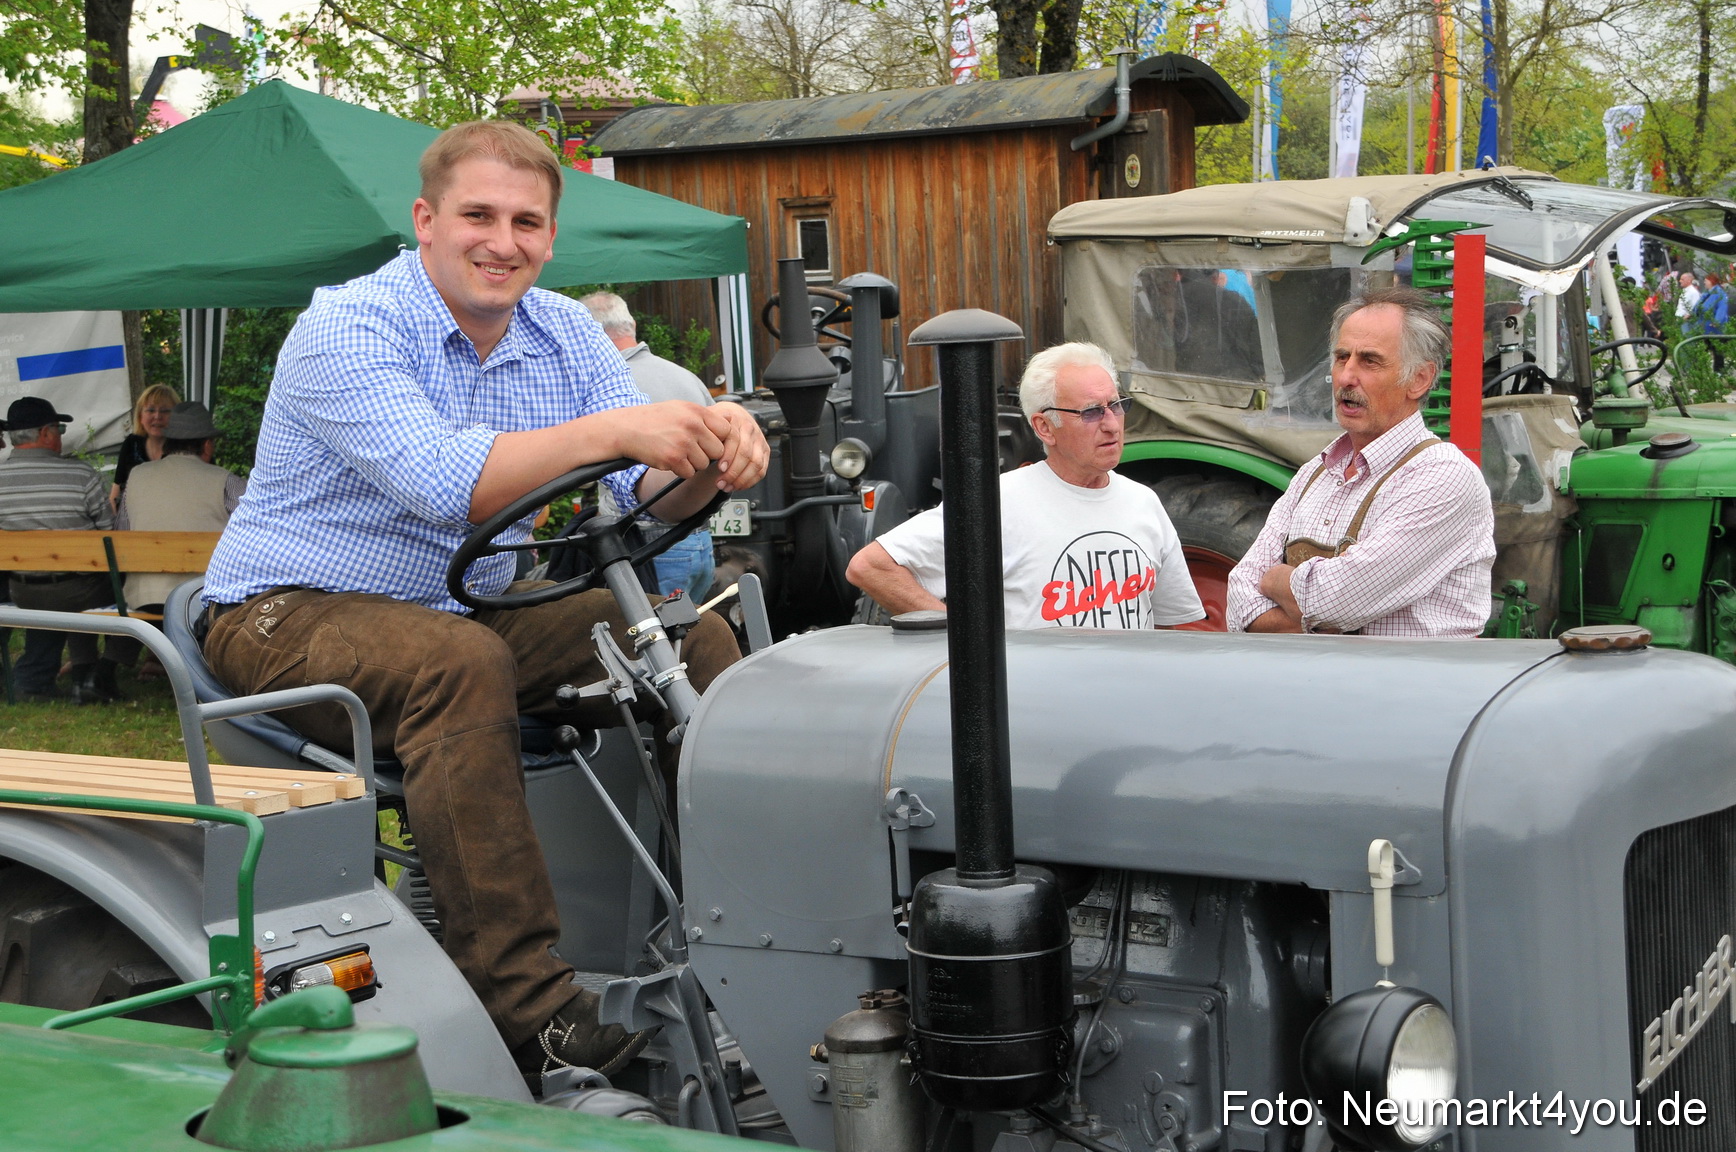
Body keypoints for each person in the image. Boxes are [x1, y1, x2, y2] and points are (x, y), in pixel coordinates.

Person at [199, 120, 769, 1085]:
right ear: (426, 221)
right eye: (477, 215)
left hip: (459, 609)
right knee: (460, 663)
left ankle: (757, 935)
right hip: (285, 613)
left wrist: (714, 465)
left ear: (550, 239)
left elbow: (640, 504)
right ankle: (531, 1009)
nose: (501, 241)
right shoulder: (348, 325)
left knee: (685, 636)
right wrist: (619, 427)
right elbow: (442, 480)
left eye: (526, 222)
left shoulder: (562, 335)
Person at [846, 342, 1204, 629]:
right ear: (1045, 427)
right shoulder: (1000, 501)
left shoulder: (1143, 501)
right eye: (1092, 412)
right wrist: (961, 644)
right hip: (1038, 712)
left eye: (1117, 405)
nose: (1111, 424)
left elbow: (1179, 623)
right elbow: (871, 566)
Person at [1225, 287, 1495, 637]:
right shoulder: (1314, 474)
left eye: (1369, 361)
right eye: (1341, 357)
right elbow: (1239, 597)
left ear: (1419, 379)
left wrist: (1277, 579)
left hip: (1411, 689)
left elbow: (1340, 600)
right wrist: (1318, 616)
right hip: (1318, 687)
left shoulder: (1444, 476)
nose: (1346, 377)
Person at [579, 291, 716, 601]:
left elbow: (586, 473)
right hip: (699, 541)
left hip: (645, 545)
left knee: (650, 643)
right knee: (689, 640)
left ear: (589, 335)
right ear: (633, 326)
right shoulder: (686, 378)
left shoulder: (606, 390)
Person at [0, 396, 126, 702]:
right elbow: (110, 538)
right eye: (58, 429)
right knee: (124, 587)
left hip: (21, 589)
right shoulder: (81, 475)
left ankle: (45, 678)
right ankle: (91, 673)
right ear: (45, 433)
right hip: (78, 589)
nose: (59, 436)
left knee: (60, 596)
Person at [115, 401, 246, 612]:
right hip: (202, 598)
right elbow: (256, 532)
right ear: (206, 445)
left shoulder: (136, 476)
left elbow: (121, 534)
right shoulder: (226, 482)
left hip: (144, 598)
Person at [109, 383, 180, 509]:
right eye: (151, 410)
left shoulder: (185, 448)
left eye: (165, 411)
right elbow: (115, 493)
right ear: (140, 416)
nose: (157, 416)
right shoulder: (131, 444)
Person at [1696, 272, 1729, 373]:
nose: (1704, 282)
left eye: (1706, 280)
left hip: (1715, 329)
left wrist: (1717, 321)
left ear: (1712, 281)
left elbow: (1722, 308)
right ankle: (1699, 372)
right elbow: (1699, 307)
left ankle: (1719, 373)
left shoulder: (1719, 294)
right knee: (1702, 350)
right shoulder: (1707, 294)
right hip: (1705, 328)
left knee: (1717, 352)